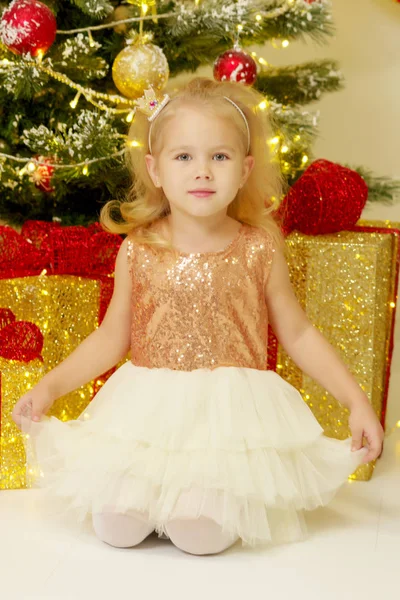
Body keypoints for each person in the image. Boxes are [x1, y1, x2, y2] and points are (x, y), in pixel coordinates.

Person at [12, 77, 384, 556]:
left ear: (245, 169)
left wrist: (354, 400)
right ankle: (157, 500)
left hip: (227, 420)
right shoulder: (139, 249)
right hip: (149, 412)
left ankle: (194, 504)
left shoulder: (258, 248)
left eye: (219, 157)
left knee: (199, 533)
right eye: (184, 157)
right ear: (156, 169)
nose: (202, 172)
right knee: (116, 527)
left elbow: (298, 332)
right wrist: (49, 387)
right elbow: (110, 338)